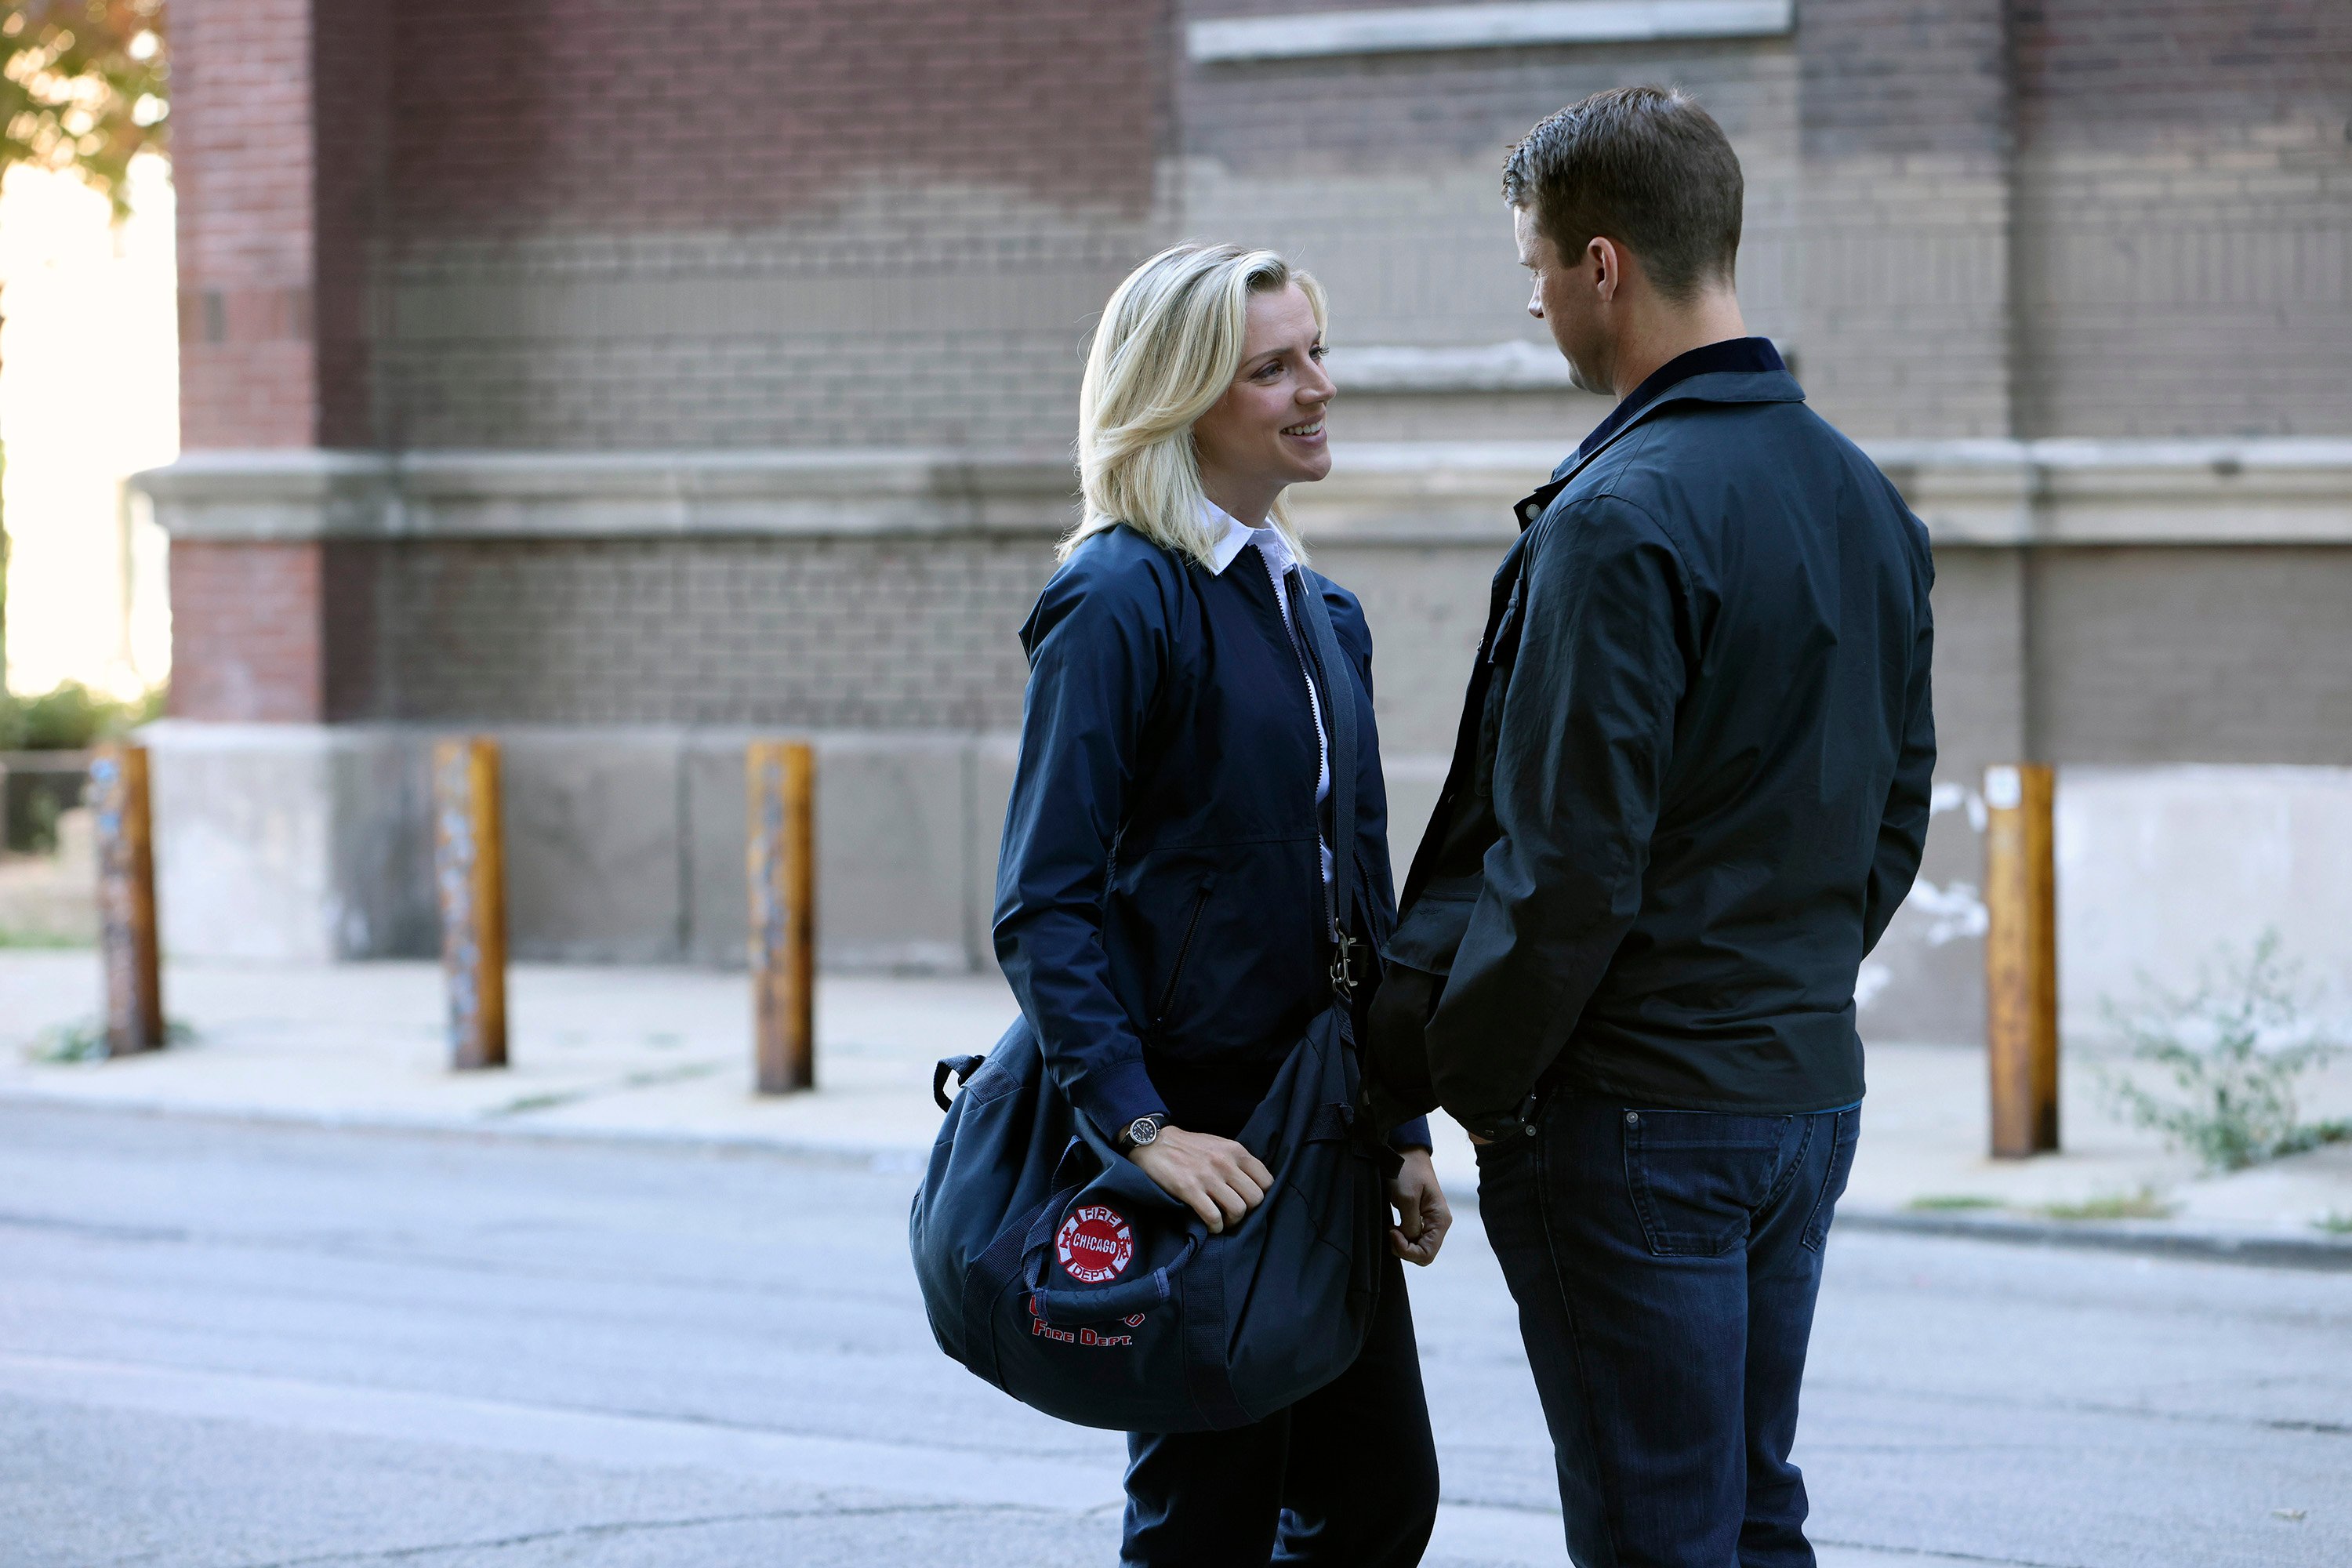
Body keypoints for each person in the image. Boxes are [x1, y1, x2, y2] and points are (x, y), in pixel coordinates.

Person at [1366, 86, 1937, 1566]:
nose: (1540, 308)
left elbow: (1563, 868)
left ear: (1603, 263)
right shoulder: (1867, 503)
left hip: (1634, 1114)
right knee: (1747, 1518)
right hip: (1800, 1096)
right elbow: (1892, 818)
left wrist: (1477, 1081)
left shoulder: (1620, 518)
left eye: (1537, 271)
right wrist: (1781, 984)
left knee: (1659, 1537)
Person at [993, 242, 1450, 1567]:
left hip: (1323, 1134)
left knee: (1376, 1501)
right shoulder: (1114, 599)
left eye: (1317, 353)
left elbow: (1358, 895)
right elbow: (1044, 905)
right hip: (1205, 1149)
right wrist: (1141, 1127)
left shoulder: (1322, 609)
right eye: (1272, 368)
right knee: (1206, 1523)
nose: (1316, 387)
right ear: (1184, 398)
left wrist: (1402, 1118)